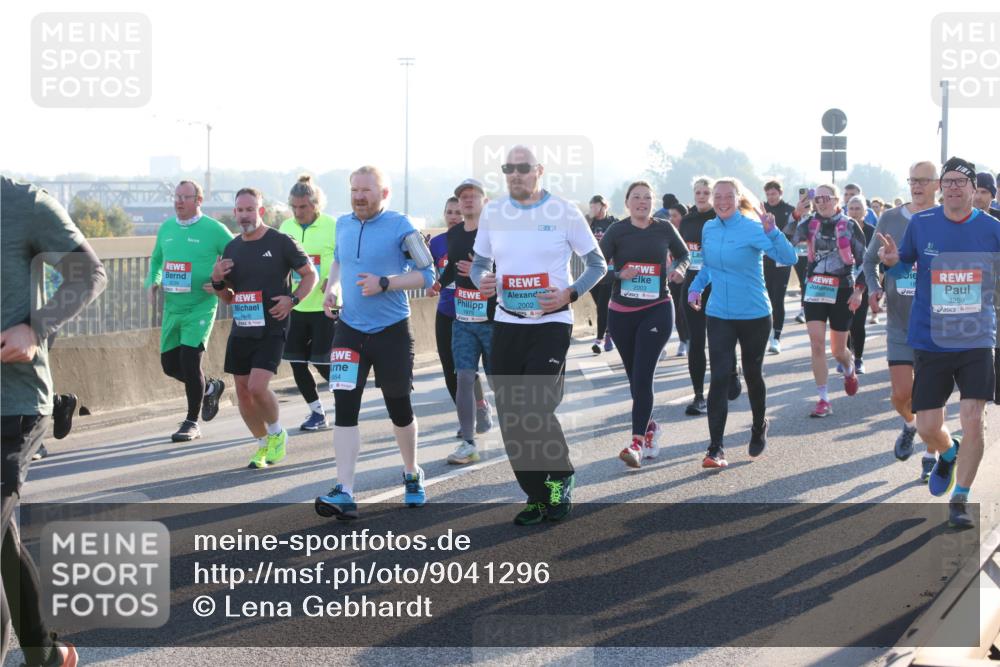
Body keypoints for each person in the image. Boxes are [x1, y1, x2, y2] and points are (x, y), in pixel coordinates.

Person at [470, 145, 606, 525]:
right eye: (508, 168)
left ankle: (559, 480)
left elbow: (598, 264)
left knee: (535, 406)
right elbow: (481, 260)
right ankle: (534, 494)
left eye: (523, 168)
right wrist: (480, 279)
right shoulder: (494, 212)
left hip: (551, 323)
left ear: (539, 171)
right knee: (511, 414)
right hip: (507, 321)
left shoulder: (563, 211)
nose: (515, 174)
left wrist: (569, 293)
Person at [2, 176, 108, 667]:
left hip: (14, 400)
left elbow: (89, 274)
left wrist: (35, 327)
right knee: (5, 543)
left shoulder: (24, 203)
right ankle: (44, 652)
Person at [879, 156, 1000, 529]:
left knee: (972, 419)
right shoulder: (921, 223)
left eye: (959, 182)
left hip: (976, 339)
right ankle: (948, 453)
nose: (952, 188)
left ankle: (960, 498)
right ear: (939, 187)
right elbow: (903, 267)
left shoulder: (993, 229)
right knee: (928, 426)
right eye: (946, 182)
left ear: (971, 189)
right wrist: (892, 262)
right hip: (930, 339)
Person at [315, 166, 435, 520]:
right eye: (354, 190)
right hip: (349, 329)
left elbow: (428, 275)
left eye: (366, 191)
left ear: (384, 194)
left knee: (398, 406)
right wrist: (332, 288)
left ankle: (412, 473)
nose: (358, 196)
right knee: (345, 406)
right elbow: (338, 260)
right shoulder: (343, 223)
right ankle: (345, 490)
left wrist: (385, 282)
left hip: (391, 330)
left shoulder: (401, 226)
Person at [688, 178, 796, 467]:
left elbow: (788, 257)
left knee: (752, 373)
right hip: (719, 313)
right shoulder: (708, 228)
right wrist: (695, 287)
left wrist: (773, 233)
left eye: (728, 196)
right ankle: (715, 448)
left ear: (737, 199)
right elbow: (708, 266)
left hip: (754, 315)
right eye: (717, 196)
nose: (722, 201)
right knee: (719, 377)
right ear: (712, 199)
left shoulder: (752, 227)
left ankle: (759, 425)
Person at [212, 188, 316, 469]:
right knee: (243, 392)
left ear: (261, 211)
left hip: (273, 324)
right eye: (240, 210)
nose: (245, 215)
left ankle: (276, 431)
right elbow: (228, 297)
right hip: (243, 326)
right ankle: (262, 444)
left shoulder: (282, 242)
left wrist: (292, 299)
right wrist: (218, 280)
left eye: (250, 209)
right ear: (235, 213)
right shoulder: (232, 248)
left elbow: (310, 275)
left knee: (258, 387)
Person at [600, 181, 689, 468]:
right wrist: (619, 273)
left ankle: (636, 442)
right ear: (626, 203)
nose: (642, 202)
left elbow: (684, 254)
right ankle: (650, 429)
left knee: (643, 376)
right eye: (636, 197)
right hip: (621, 312)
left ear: (653, 202)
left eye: (647, 197)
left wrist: (678, 269)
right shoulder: (616, 230)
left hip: (657, 308)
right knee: (634, 379)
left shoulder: (664, 227)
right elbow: (596, 267)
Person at [863, 161, 940, 481]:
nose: (917, 186)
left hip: (937, 323)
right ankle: (909, 424)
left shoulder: (944, 219)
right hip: (898, 320)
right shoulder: (890, 218)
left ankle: (932, 453)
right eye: (913, 180)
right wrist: (872, 289)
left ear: (937, 184)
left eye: (924, 181)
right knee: (900, 394)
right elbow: (868, 262)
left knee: (931, 397)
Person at [144, 180, 233, 442]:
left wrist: (222, 283)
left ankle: (191, 422)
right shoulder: (167, 228)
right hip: (173, 307)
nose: (179, 201)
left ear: (199, 200)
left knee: (190, 361)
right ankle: (210, 388)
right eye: (176, 196)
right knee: (169, 365)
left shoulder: (214, 229)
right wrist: (153, 282)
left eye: (185, 197)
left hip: (200, 306)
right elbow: (157, 260)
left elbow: (237, 257)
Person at [788, 184, 868, 417]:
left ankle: (849, 367)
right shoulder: (809, 223)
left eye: (826, 198)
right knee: (816, 345)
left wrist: (859, 290)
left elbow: (865, 260)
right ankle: (823, 399)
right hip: (815, 288)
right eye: (818, 198)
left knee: (838, 350)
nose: (821, 202)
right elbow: (784, 239)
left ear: (837, 201)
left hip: (842, 289)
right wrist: (795, 214)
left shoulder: (850, 225)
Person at [437, 178, 496, 465]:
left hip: (494, 318)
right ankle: (468, 443)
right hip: (463, 318)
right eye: (463, 197)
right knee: (463, 377)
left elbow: (510, 265)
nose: (468, 200)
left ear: (484, 201)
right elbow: (452, 265)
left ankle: (518, 432)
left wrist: (480, 270)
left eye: (473, 196)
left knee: (500, 379)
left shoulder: (494, 232)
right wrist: (440, 282)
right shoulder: (455, 233)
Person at [278, 175, 338, 431]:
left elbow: (344, 260)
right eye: (294, 206)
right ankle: (317, 413)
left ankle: (348, 399)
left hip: (325, 306)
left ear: (316, 205)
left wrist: (332, 283)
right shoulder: (285, 228)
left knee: (324, 364)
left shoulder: (333, 226)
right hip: (296, 305)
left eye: (303, 207)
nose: (298, 212)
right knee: (298, 362)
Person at [679, 177, 741, 416]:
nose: (702, 196)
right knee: (696, 341)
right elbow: (681, 253)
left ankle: (732, 370)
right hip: (692, 285)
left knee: (721, 337)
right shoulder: (686, 220)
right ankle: (698, 396)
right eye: (698, 192)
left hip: (720, 285)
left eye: (707, 192)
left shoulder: (720, 219)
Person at [428, 196, 488, 437]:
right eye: (449, 212)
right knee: (451, 369)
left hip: (476, 311)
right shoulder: (438, 243)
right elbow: (425, 265)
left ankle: (481, 406)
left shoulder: (479, 239)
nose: (453, 216)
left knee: (469, 368)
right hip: (446, 311)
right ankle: (467, 422)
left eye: (457, 212)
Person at [762, 180, 798, 354]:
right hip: (765, 259)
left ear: (780, 193)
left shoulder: (790, 210)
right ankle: (764, 333)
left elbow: (793, 233)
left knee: (778, 299)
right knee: (765, 298)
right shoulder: (762, 210)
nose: (771, 197)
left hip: (782, 259)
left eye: (774, 194)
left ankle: (776, 337)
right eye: (768, 194)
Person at [845, 195, 877, 374]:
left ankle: (858, 359)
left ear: (865, 211)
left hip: (864, 281)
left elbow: (873, 259)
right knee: (844, 322)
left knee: (858, 322)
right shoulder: (841, 228)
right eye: (852, 208)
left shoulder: (872, 231)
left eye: (858, 208)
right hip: (844, 281)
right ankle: (846, 357)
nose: (855, 212)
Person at [587, 195, 618, 354]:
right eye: (590, 206)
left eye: (595, 206)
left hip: (609, 270)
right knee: (600, 305)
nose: (592, 209)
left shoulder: (613, 223)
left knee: (603, 306)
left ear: (603, 206)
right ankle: (609, 332)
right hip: (591, 271)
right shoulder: (587, 223)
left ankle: (599, 340)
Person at [667, 202, 691, 356]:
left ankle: (691, 339)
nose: (671, 219)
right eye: (670, 216)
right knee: (676, 308)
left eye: (675, 216)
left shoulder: (690, 230)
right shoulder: (668, 231)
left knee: (686, 308)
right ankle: (683, 340)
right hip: (672, 273)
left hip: (691, 274)